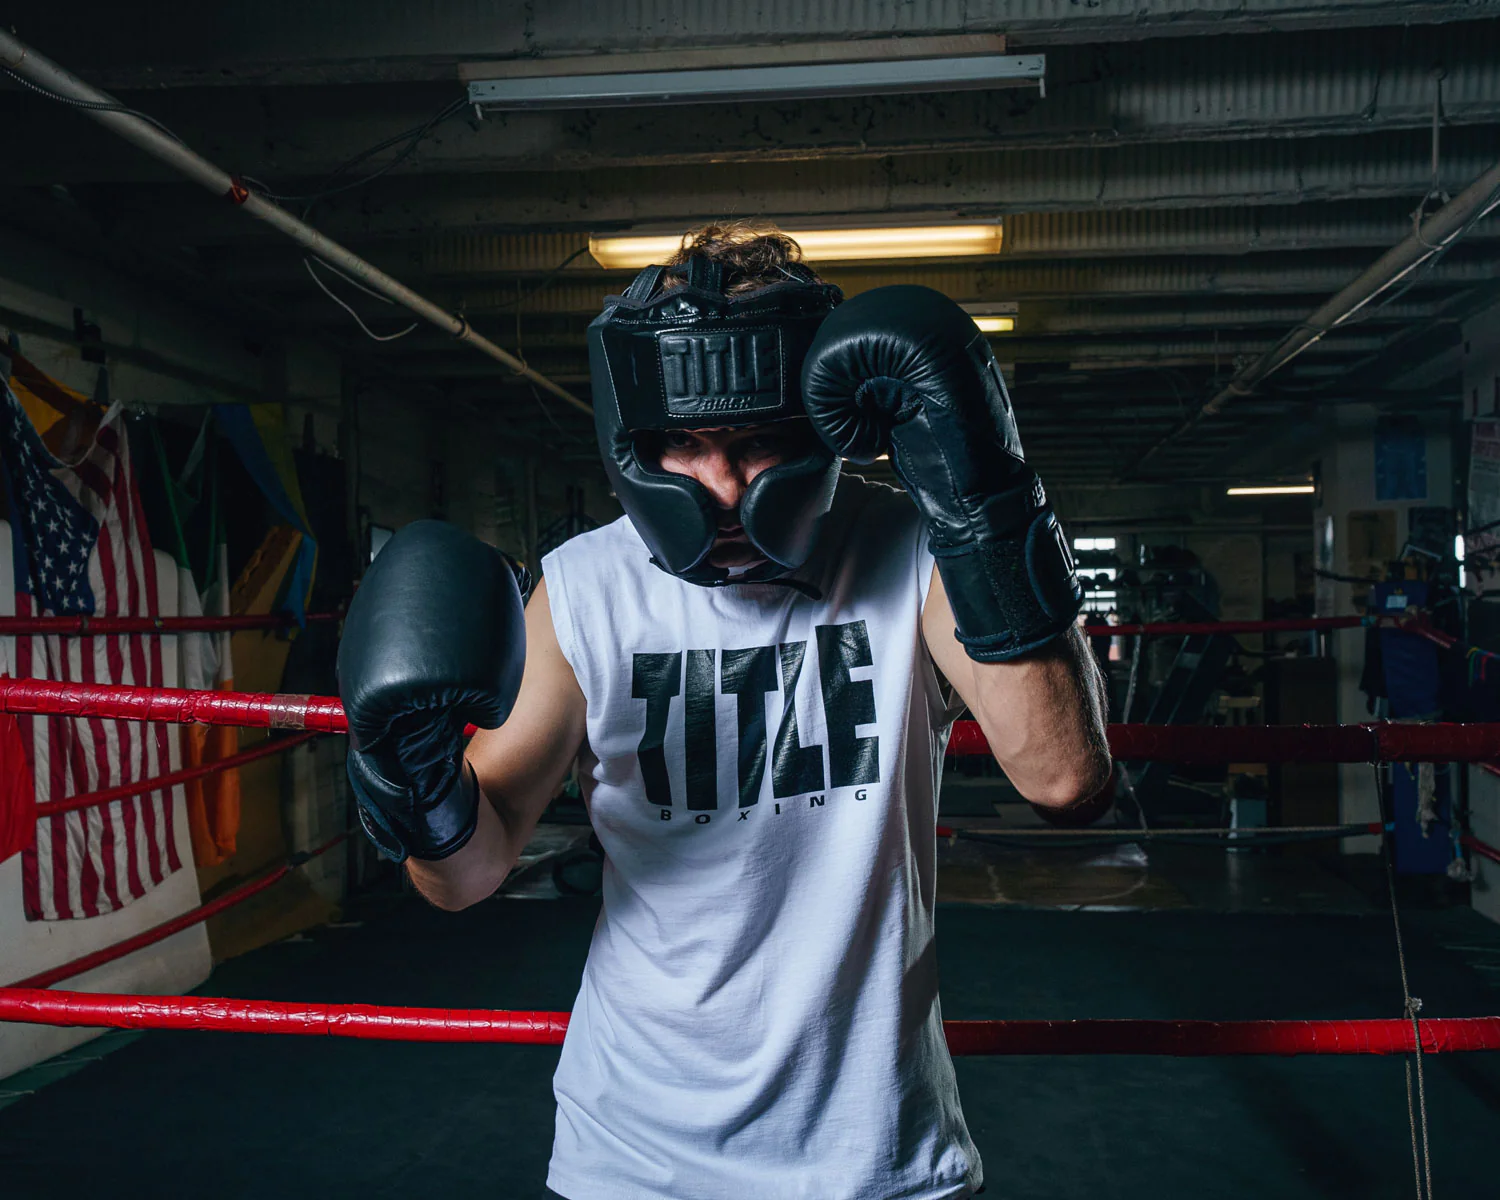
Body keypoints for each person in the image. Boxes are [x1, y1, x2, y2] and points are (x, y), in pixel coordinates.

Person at [337, 225, 1112, 1200]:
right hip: (635, 1159)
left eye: (757, 444)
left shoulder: (912, 553)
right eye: (686, 447)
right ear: (636, 441)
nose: (725, 491)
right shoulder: (584, 589)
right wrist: (413, 777)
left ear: (821, 427)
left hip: (874, 1153)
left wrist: (981, 502)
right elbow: (465, 878)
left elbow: (1066, 779)